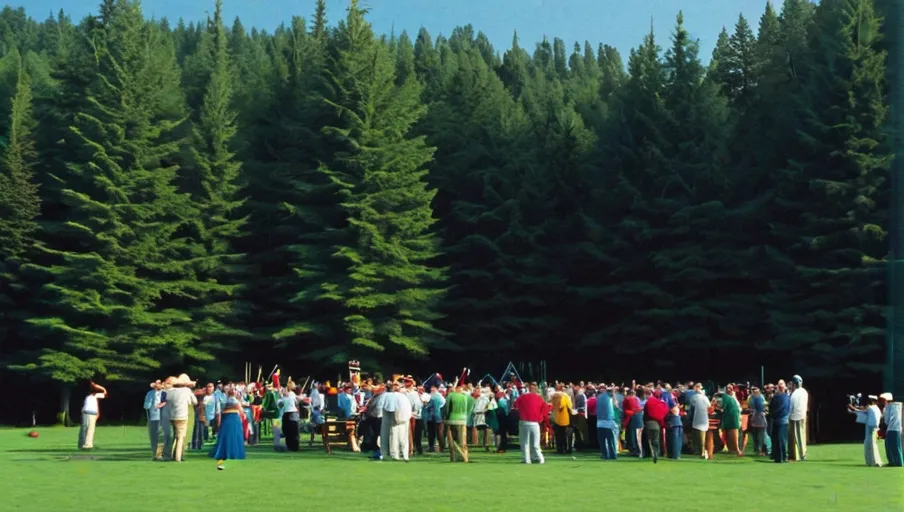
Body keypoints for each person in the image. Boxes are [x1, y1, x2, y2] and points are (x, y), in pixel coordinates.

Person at [161, 374, 198, 462]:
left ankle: (169, 453)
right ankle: (178, 456)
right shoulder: (186, 391)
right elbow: (194, 402)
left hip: (172, 416)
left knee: (175, 435)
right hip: (182, 416)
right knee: (181, 437)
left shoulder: (169, 391)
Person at [210, 387, 246, 470]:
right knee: (234, 436)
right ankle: (233, 453)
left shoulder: (224, 400)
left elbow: (220, 411)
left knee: (225, 437)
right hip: (234, 419)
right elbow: (241, 411)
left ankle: (223, 452)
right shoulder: (235, 401)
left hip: (226, 419)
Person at [514, 382, 545, 464]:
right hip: (535, 422)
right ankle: (539, 458)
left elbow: (515, 405)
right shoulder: (539, 398)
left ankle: (526, 459)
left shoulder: (522, 397)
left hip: (524, 422)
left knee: (525, 442)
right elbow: (544, 409)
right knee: (535, 443)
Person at [849, 395, 883, 467]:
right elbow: (863, 410)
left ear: (874, 401)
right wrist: (854, 409)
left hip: (872, 428)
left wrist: (853, 408)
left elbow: (862, 410)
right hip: (871, 427)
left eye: (871, 400)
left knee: (871, 444)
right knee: (869, 444)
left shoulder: (872, 407)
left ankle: (875, 462)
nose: (869, 401)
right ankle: (871, 462)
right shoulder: (875, 408)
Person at [444, 384, 470, 463]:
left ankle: (454, 457)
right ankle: (464, 457)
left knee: (452, 441)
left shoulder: (450, 396)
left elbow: (447, 409)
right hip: (463, 420)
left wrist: (446, 418)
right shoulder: (465, 397)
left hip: (452, 419)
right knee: (462, 440)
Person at [79, 380, 108, 450]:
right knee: (84, 429)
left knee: (90, 430)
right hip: (86, 412)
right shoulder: (87, 395)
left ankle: (88, 445)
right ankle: (82, 445)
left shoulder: (96, 395)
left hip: (92, 413)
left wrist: (101, 388)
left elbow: (105, 394)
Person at [769, 380, 791, 463]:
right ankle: (783, 456)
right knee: (782, 439)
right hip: (784, 420)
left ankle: (779, 457)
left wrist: (772, 414)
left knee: (778, 439)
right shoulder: (787, 397)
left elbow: (772, 408)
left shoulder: (777, 397)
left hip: (778, 420)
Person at [788, 375, 808, 461]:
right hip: (803, 415)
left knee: (796, 436)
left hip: (795, 417)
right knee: (802, 435)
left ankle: (798, 455)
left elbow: (790, 407)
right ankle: (803, 453)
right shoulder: (804, 391)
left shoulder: (794, 394)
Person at [688, 384, 710, 459]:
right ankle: (701, 452)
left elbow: (692, 404)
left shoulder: (696, 397)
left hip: (699, 419)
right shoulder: (701, 397)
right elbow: (709, 406)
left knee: (699, 437)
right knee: (700, 437)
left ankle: (701, 452)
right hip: (701, 419)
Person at [595, 386, 618, 460]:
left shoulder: (599, 397)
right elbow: (616, 405)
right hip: (608, 422)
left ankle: (605, 455)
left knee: (602, 442)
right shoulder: (609, 397)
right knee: (611, 441)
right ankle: (613, 455)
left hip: (599, 423)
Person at [143, 380, 163, 460]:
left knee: (161, 436)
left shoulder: (164, 393)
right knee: (153, 436)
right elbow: (146, 406)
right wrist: (149, 402)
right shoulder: (150, 393)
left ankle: (160, 454)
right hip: (152, 417)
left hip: (162, 416)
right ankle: (155, 453)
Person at [880, 393, 902, 467]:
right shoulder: (898, 406)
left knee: (892, 447)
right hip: (897, 429)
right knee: (895, 446)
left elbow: (886, 420)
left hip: (891, 429)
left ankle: (897, 462)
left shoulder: (889, 407)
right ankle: (896, 462)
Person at [748, 387, 768, 456]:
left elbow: (764, 407)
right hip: (755, 418)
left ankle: (763, 450)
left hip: (760, 418)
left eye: (756, 391)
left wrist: (765, 411)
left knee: (762, 436)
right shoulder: (751, 398)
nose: (755, 392)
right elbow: (750, 407)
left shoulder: (761, 397)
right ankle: (757, 449)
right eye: (754, 391)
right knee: (756, 435)